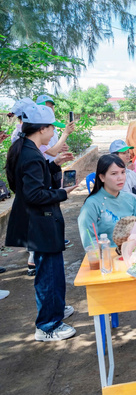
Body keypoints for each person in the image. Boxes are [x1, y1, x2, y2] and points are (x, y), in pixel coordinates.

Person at [5, 100, 77, 341]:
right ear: (42, 129)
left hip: (39, 221)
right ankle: (46, 325)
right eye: (52, 128)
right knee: (47, 273)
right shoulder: (30, 154)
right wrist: (62, 193)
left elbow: (29, 182)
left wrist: (54, 164)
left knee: (53, 269)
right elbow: (34, 194)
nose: (54, 132)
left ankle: (55, 310)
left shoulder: (26, 148)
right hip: (39, 222)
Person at [78, 155, 136, 248]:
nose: (120, 178)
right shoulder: (91, 205)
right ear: (102, 177)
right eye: (114, 174)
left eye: (123, 172)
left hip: (133, 254)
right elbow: (90, 242)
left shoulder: (130, 199)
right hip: (107, 258)